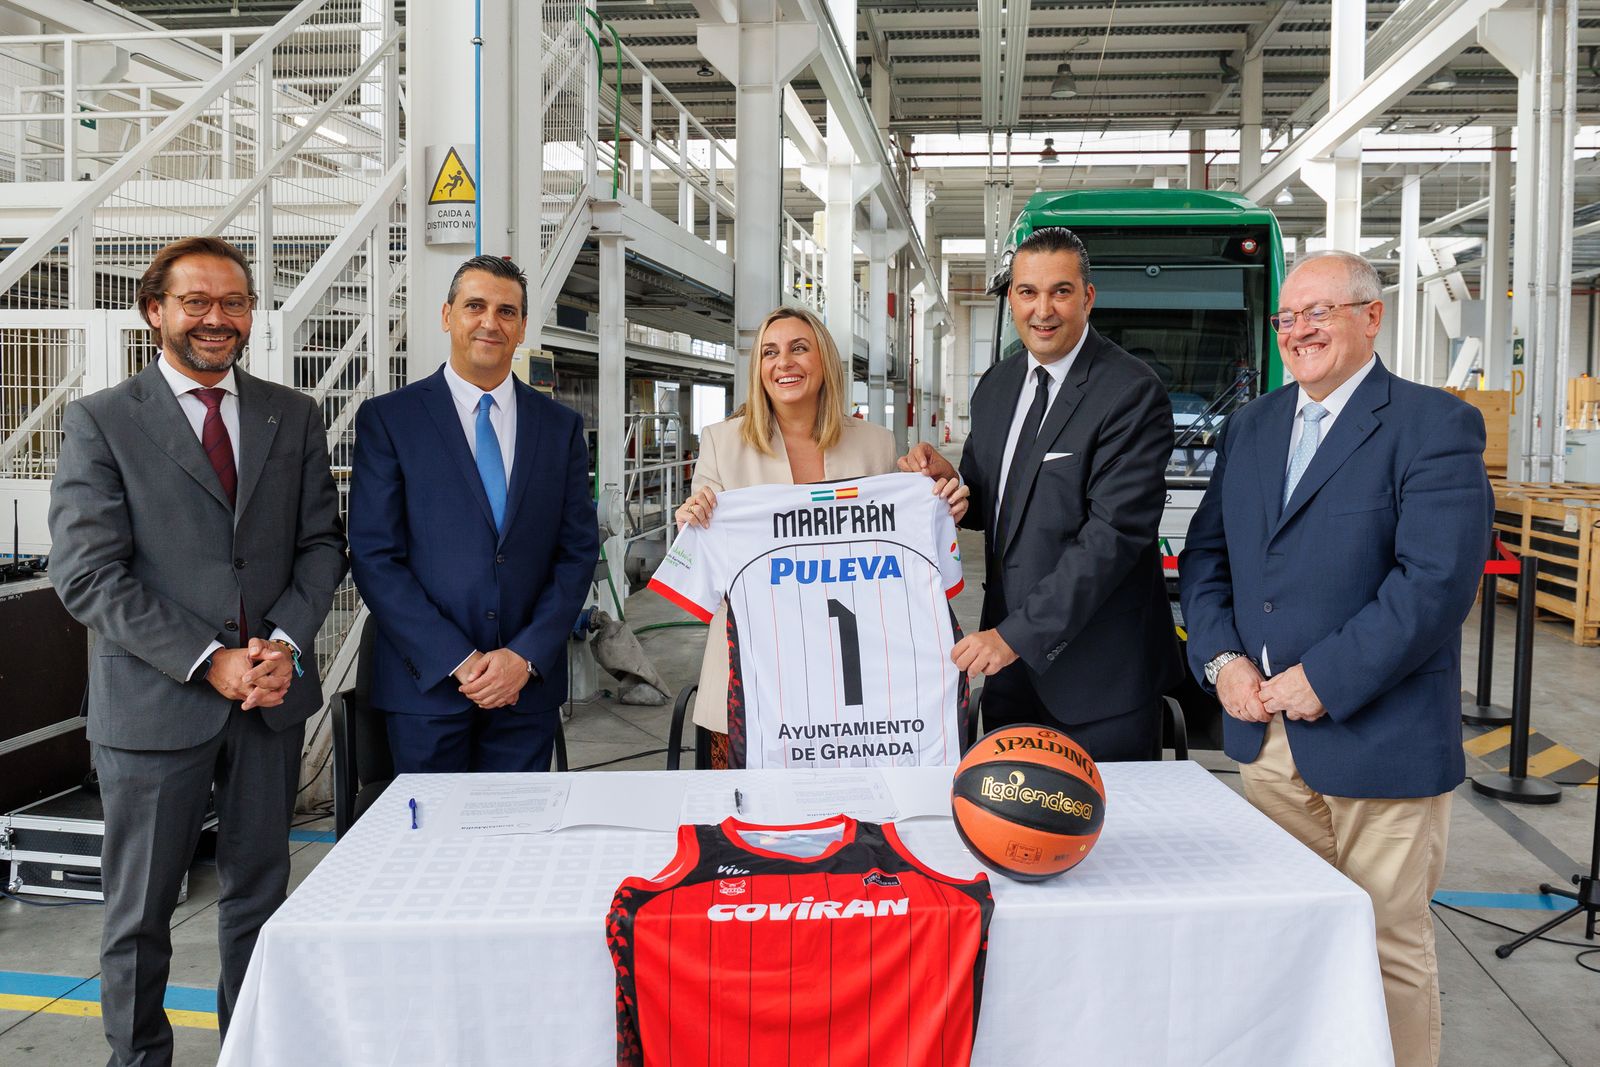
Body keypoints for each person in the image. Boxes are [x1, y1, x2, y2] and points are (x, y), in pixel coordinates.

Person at [1178, 250, 1492, 1067]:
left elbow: (1434, 583)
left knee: (1386, 942)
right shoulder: (1254, 425)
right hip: (1267, 742)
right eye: (1289, 317)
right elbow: (1205, 556)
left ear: (1372, 317)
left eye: (1321, 312)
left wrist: (1326, 678)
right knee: (1289, 934)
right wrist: (1221, 662)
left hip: (1380, 739)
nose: (1300, 331)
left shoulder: (1434, 424)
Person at [47, 236, 347, 1066]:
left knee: (258, 898)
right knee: (138, 914)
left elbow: (322, 543)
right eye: (197, 302)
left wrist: (283, 641)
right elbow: (87, 574)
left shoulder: (292, 414)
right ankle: (138, 1058)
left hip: (270, 700)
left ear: (252, 313)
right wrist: (206, 658)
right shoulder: (102, 420)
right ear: (156, 311)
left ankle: (250, 1050)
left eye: (235, 303)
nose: (218, 319)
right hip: (153, 703)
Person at [902, 226, 1181, 761]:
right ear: (1012, 300)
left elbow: (1112, 538)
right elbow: (990, 499)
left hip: (1101, 681)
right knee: (1014, 835)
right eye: (1028, 292)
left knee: (1110, 838)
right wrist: (949, 485)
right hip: (1012, 679)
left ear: (1088, 297)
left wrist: (1014, 637)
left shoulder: (1130, 392)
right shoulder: (998, 385)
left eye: (1061, 291)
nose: (1043, 309)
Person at [675, 305, 967, 766]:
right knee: (752, 825)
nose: (783, 362)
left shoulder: (875, 444)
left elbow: (900, 549)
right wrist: (693, 521)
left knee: (856, 821)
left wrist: (941, 506)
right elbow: (706, 560)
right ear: (758, 369)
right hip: (751, 676)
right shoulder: (722, 442)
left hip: (856, 679)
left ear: (825, 361)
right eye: (770, 352)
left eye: (798, 349)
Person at [349, 255, 597, 773]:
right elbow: (375, 556)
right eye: (475, 306)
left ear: (523, 326)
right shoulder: (391, 420)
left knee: (516, 841)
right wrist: (458, 661)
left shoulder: (559, 428)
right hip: (428, 688)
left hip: (524, 689)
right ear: (447, 316)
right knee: (429, 844)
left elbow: (576, 553)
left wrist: (524, 657)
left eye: (507, 311)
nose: (490, 322)